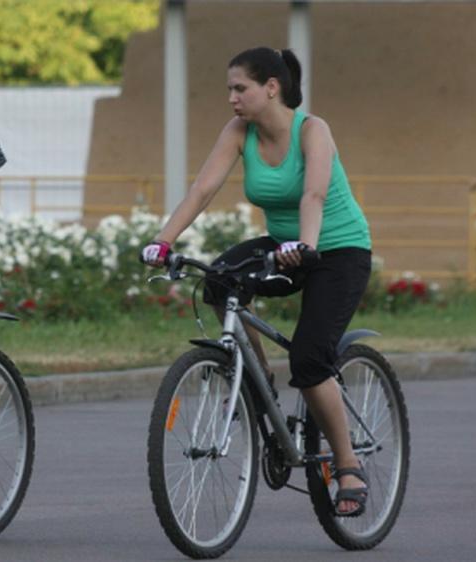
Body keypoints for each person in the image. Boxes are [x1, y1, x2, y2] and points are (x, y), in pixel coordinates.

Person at [141, 47, 373, 517]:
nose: (231, 98)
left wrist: (305, 245)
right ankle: (258, 380)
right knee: (219, 281)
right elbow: (202, 189)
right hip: (285, 245)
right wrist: (163, 241)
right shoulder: (239, 131)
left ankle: (348, 465)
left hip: (339, 250)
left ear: (271, 87)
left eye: (239, 88)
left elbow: (314, 193)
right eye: (229, 89)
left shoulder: (313, 129)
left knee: (310, 359)